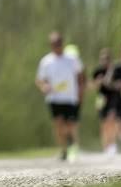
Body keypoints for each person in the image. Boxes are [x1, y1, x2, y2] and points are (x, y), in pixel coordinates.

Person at [35, 31, 85, 162]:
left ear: (62, 44)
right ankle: (63, 150)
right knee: (58, 125)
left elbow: (81, 75)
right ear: (50, 45)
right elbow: (39, 79)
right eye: (53, 44)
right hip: (55, 98)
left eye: (58, 43)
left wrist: (81, 91)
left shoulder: (72, 59)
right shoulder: (46, 61)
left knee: (71, 125)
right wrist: (44, 87)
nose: (56, 45)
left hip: (70, 97)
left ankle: (73, 148)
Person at [88, 48, 119, 159]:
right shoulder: (98, 71)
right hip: (101, 99)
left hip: (113, 98)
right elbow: (90, 86)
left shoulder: (115, 71)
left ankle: (113, 145)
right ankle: (106, 148)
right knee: (104, 124)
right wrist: (98, 81)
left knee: (112, 121)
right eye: (103, 59)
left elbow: (119, 84)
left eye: (107, 58)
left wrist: (110, 82)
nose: (104, 61)